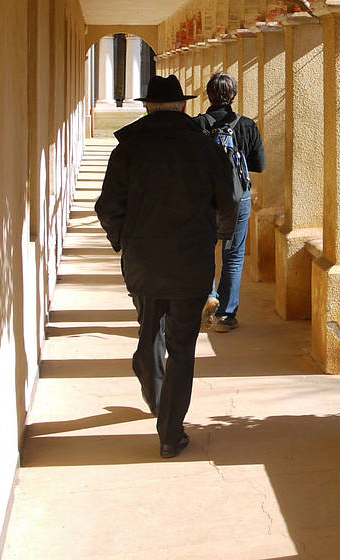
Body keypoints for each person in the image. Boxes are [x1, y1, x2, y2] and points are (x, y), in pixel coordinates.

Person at [95, 74, 238, 458]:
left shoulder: (127, 148)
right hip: (191, 261)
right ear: (183, 106)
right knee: (182, 346)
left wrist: (123, 242)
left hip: (142, 260)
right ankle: (170, 433)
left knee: (148, 330)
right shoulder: (205, 147)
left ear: (146, 107)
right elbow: (229, 203)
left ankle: (156, 395)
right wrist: (216, 239)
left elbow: (107, 208)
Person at [195, 72, 265, 333]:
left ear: (208, 94)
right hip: (238, 197)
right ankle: (226, 317)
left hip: (203, 198)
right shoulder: (246, 125)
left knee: (203, 250)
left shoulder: (197, 125)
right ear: (233, 95)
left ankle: (208, 295)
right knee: (233, 256)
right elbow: (259, 165)